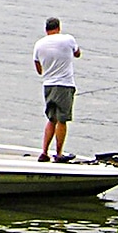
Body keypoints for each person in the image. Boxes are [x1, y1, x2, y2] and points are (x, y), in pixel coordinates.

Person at [32, 17, 80, 162]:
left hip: (48, 85)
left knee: (51, 119)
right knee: (62, 120)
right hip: (64, 84)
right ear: (58, 28)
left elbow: (39, 69)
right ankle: (59, 154)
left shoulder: (39, 45)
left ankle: (44, 152)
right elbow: (77, 54)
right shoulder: (67, 39)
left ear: (46, 29)